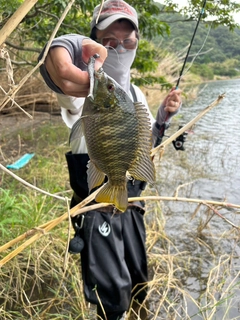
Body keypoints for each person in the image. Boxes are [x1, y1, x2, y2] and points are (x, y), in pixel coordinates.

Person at [38, 1, 181, 319]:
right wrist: (67, 45)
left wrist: (163, 118)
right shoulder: (85, 91)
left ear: (137, 44)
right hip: (96, 210)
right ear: (94, 42)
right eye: (108, 41)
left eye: (127, 40)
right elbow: (60, 76)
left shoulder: (136, 95)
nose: (118, 48)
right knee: (111, 301)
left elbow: (144, 146)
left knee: (140, 284)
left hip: (133, 210)